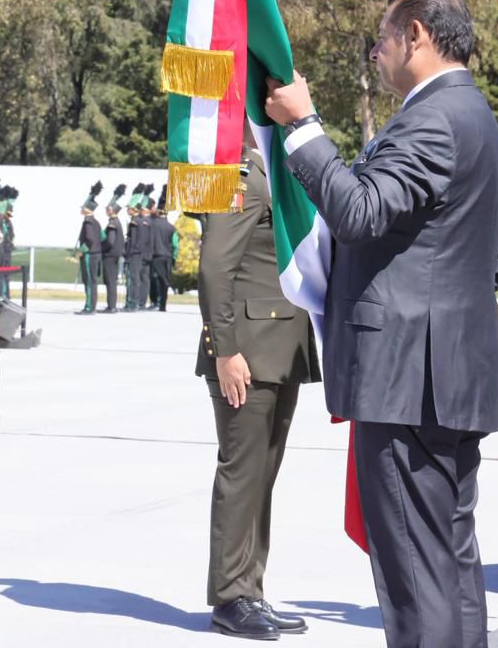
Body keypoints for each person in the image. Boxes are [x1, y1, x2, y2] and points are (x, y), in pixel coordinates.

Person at [265, 0, 498, 648]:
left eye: (382, 38)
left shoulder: (430, 118)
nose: (376, 53)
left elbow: (359, 212)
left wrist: (302, 126)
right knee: (449, 562)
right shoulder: (478, 118)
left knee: (415, 575)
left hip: (410, 381)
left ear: (418, 36)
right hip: (449, 375)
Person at [198, 127, 321, 640]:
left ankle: (251, 590)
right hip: (246, 352)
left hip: (281, 348)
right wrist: (225, 350)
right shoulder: (240, 175)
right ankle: (230, 596)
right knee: (242, 473)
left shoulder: (277, 166)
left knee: (262, 478)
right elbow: (214, 268)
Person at [75, 182, 104, 315]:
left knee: (89, 281)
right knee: (93, 281)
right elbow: (102, 237)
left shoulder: (88, 222)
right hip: (96, 254)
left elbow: (90, 240)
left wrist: (81, 250)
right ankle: (91, 306)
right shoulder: (96, 222)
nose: (81, 209)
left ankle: (89, 307)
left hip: (89, 255)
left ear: (88, 209)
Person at [149, 185, 176, 312]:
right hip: (168, 257)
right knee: (165, 281)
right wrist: (174, 257)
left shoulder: (152, 225)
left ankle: (156, 301)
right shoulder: (172, 227)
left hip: (156, 256)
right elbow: (176, 244)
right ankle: (163, 305)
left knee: (156, 280)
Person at [101, 184, 126, 313]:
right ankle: (112, 305)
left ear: (112, 210)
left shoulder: (112, 223)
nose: (106, 210)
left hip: (110, 255)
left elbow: (110, 241)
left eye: (107, 208)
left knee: (110, 281)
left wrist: (102, 249)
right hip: (115, 255)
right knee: (112, 281)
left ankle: (111, 306)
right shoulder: (116, 222)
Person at [124, 185, 146, 312]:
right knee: (132, 278)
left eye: (129, 208)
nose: (127, 210)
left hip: (135, 254)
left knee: (134, 278)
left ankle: (133, 302)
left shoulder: (136, 222)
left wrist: (131, 253)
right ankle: (131, 301)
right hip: (134, 254)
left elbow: (137, 241)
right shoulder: (136, 220)